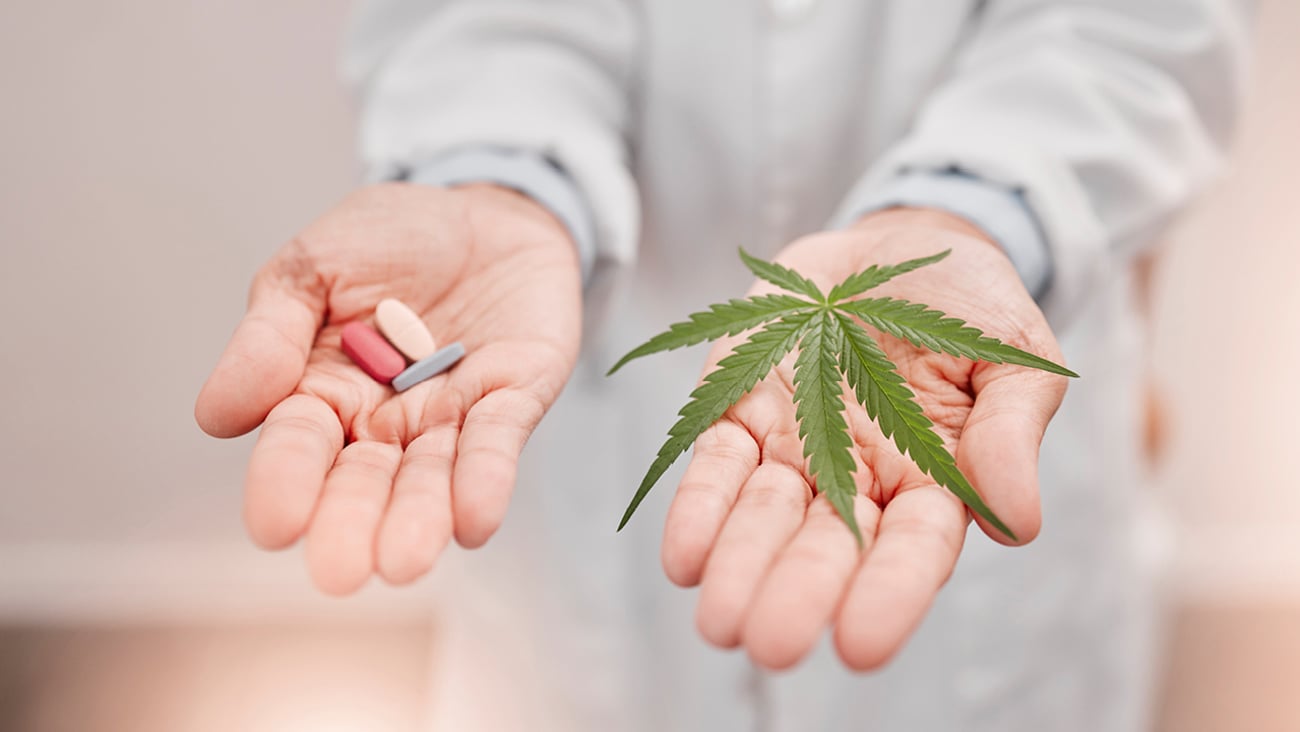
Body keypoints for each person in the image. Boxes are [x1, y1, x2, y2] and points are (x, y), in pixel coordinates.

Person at [195, 1, 1250, 729]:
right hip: (590, 416)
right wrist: (495, 176)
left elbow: (1138, 25)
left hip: (968, 394)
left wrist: (966, 216)